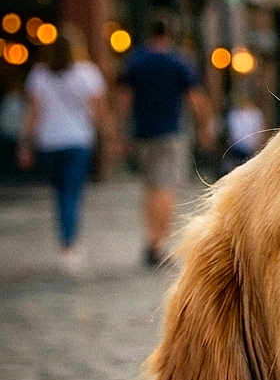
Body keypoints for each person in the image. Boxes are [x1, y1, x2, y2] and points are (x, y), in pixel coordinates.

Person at [117, 16, 214, 267]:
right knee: (167, 187)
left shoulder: (136, 61)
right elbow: (196, 99)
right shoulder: (178, 62)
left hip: (143, 134)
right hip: (171, 133)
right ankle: (158, 243)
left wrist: (120, 132)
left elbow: (124, 100)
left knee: (150, 188)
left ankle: (151, 237)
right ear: (169, 35)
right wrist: (204, 127)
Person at [16, 29, 107, 272]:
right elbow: (98, 112)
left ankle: (66, 241)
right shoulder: (88, 73)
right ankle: (69, 245)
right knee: (72, 193)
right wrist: (106, 137)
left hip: (50, 142)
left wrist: (26, 143)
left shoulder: (39, 75)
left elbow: (33, 113)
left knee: (60, 194)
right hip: (78, 141)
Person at [222, 89, 266, 173]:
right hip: (236, 151)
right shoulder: (233, 114)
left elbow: (260, 134)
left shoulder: (256, 113)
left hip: (252, 151)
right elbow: (232, 135)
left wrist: (256, 149)